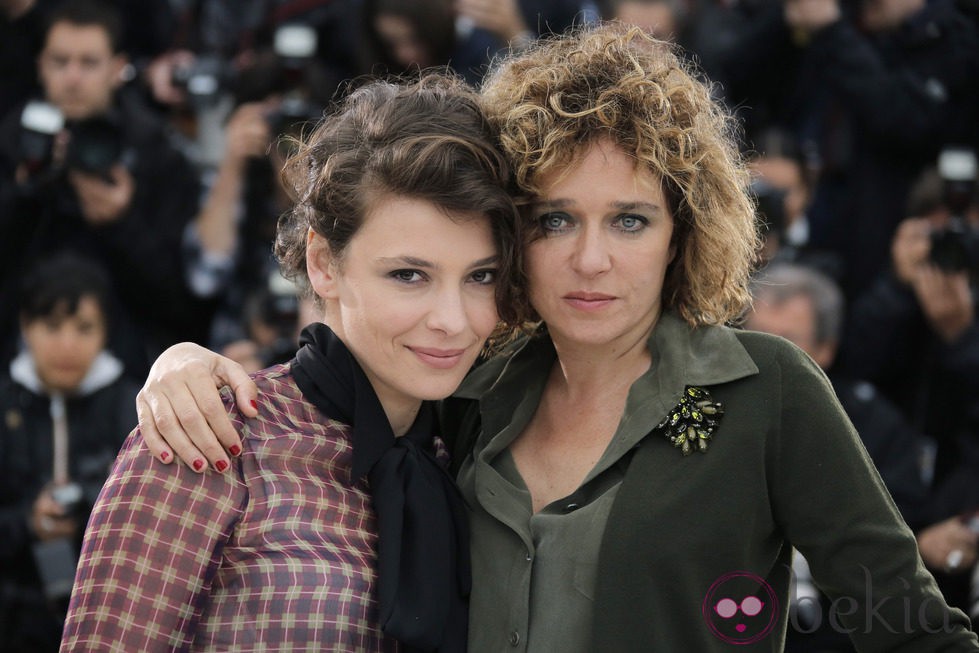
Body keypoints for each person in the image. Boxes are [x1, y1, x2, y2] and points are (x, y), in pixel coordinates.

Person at [131, 25, 979, 651]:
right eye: (555, 218)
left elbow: (912, 632)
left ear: (683, 231)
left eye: (630, 220)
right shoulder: (470, 382)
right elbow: (336, 382)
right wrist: (184, 365)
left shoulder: (769, 389)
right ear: (510, 236)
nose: (590, 260)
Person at [60, 73, 521, 652]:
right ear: (324, 263)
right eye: (409, 275)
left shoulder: (477, 452)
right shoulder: (210, 436)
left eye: (480, 276)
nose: (453, 319)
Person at [0, 0, 208, 379]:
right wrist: (28, 193)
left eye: (89, 62)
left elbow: (185, 303)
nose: (73, 77)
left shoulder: (154, 152)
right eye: (60, 62)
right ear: (40, 66)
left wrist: (121, 224)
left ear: (117, 68)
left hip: (127, 365)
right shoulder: (10, 141)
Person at [0, 253, 138, 652]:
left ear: (106, 331)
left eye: (84, 328)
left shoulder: (134, 408)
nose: (67, 344)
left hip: (108, 614)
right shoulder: (6, 403)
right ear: (25, 326)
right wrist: (28, 521)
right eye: (52, 325)